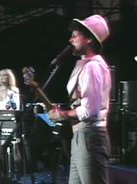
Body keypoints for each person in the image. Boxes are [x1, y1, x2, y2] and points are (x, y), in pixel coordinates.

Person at [48, 14, 111, 184]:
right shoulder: (85, 66)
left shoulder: (93, 68)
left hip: (90, 137)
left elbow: (89, 110)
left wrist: (63, 114)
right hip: (82, 137)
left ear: (89, 39)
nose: (70, 40)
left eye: (75, 35)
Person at [0, 68, 21, 177]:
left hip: (10, 121)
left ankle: (16, 173)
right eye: (1, 75)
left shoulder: (14, 90)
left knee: (13, 149)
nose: (3, 78)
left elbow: (16, 107)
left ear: (10, 78)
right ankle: (1, 174)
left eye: (5, 75)